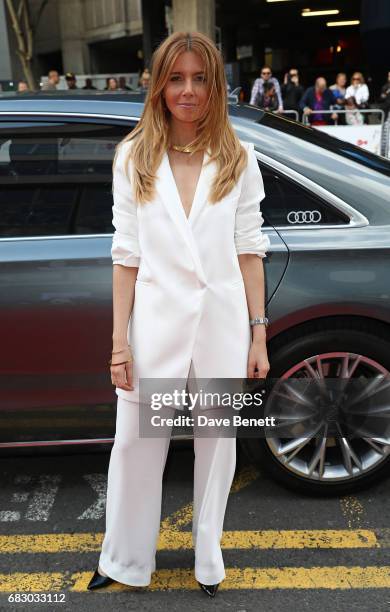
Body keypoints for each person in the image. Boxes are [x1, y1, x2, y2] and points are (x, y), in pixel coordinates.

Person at [87, 30, 270, 598]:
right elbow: (126, 257)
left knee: (219, 447)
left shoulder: (239, 157)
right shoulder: (133, 156)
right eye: (176, 79)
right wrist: (119, 344)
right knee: (136, 445)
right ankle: (122, 559)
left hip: (221, 322)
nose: (187, 91)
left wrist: (257, 335)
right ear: (159, 85)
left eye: (199, 79)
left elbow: (249, 248)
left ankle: (208, 562)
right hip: (156, 324)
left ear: (215, 87)